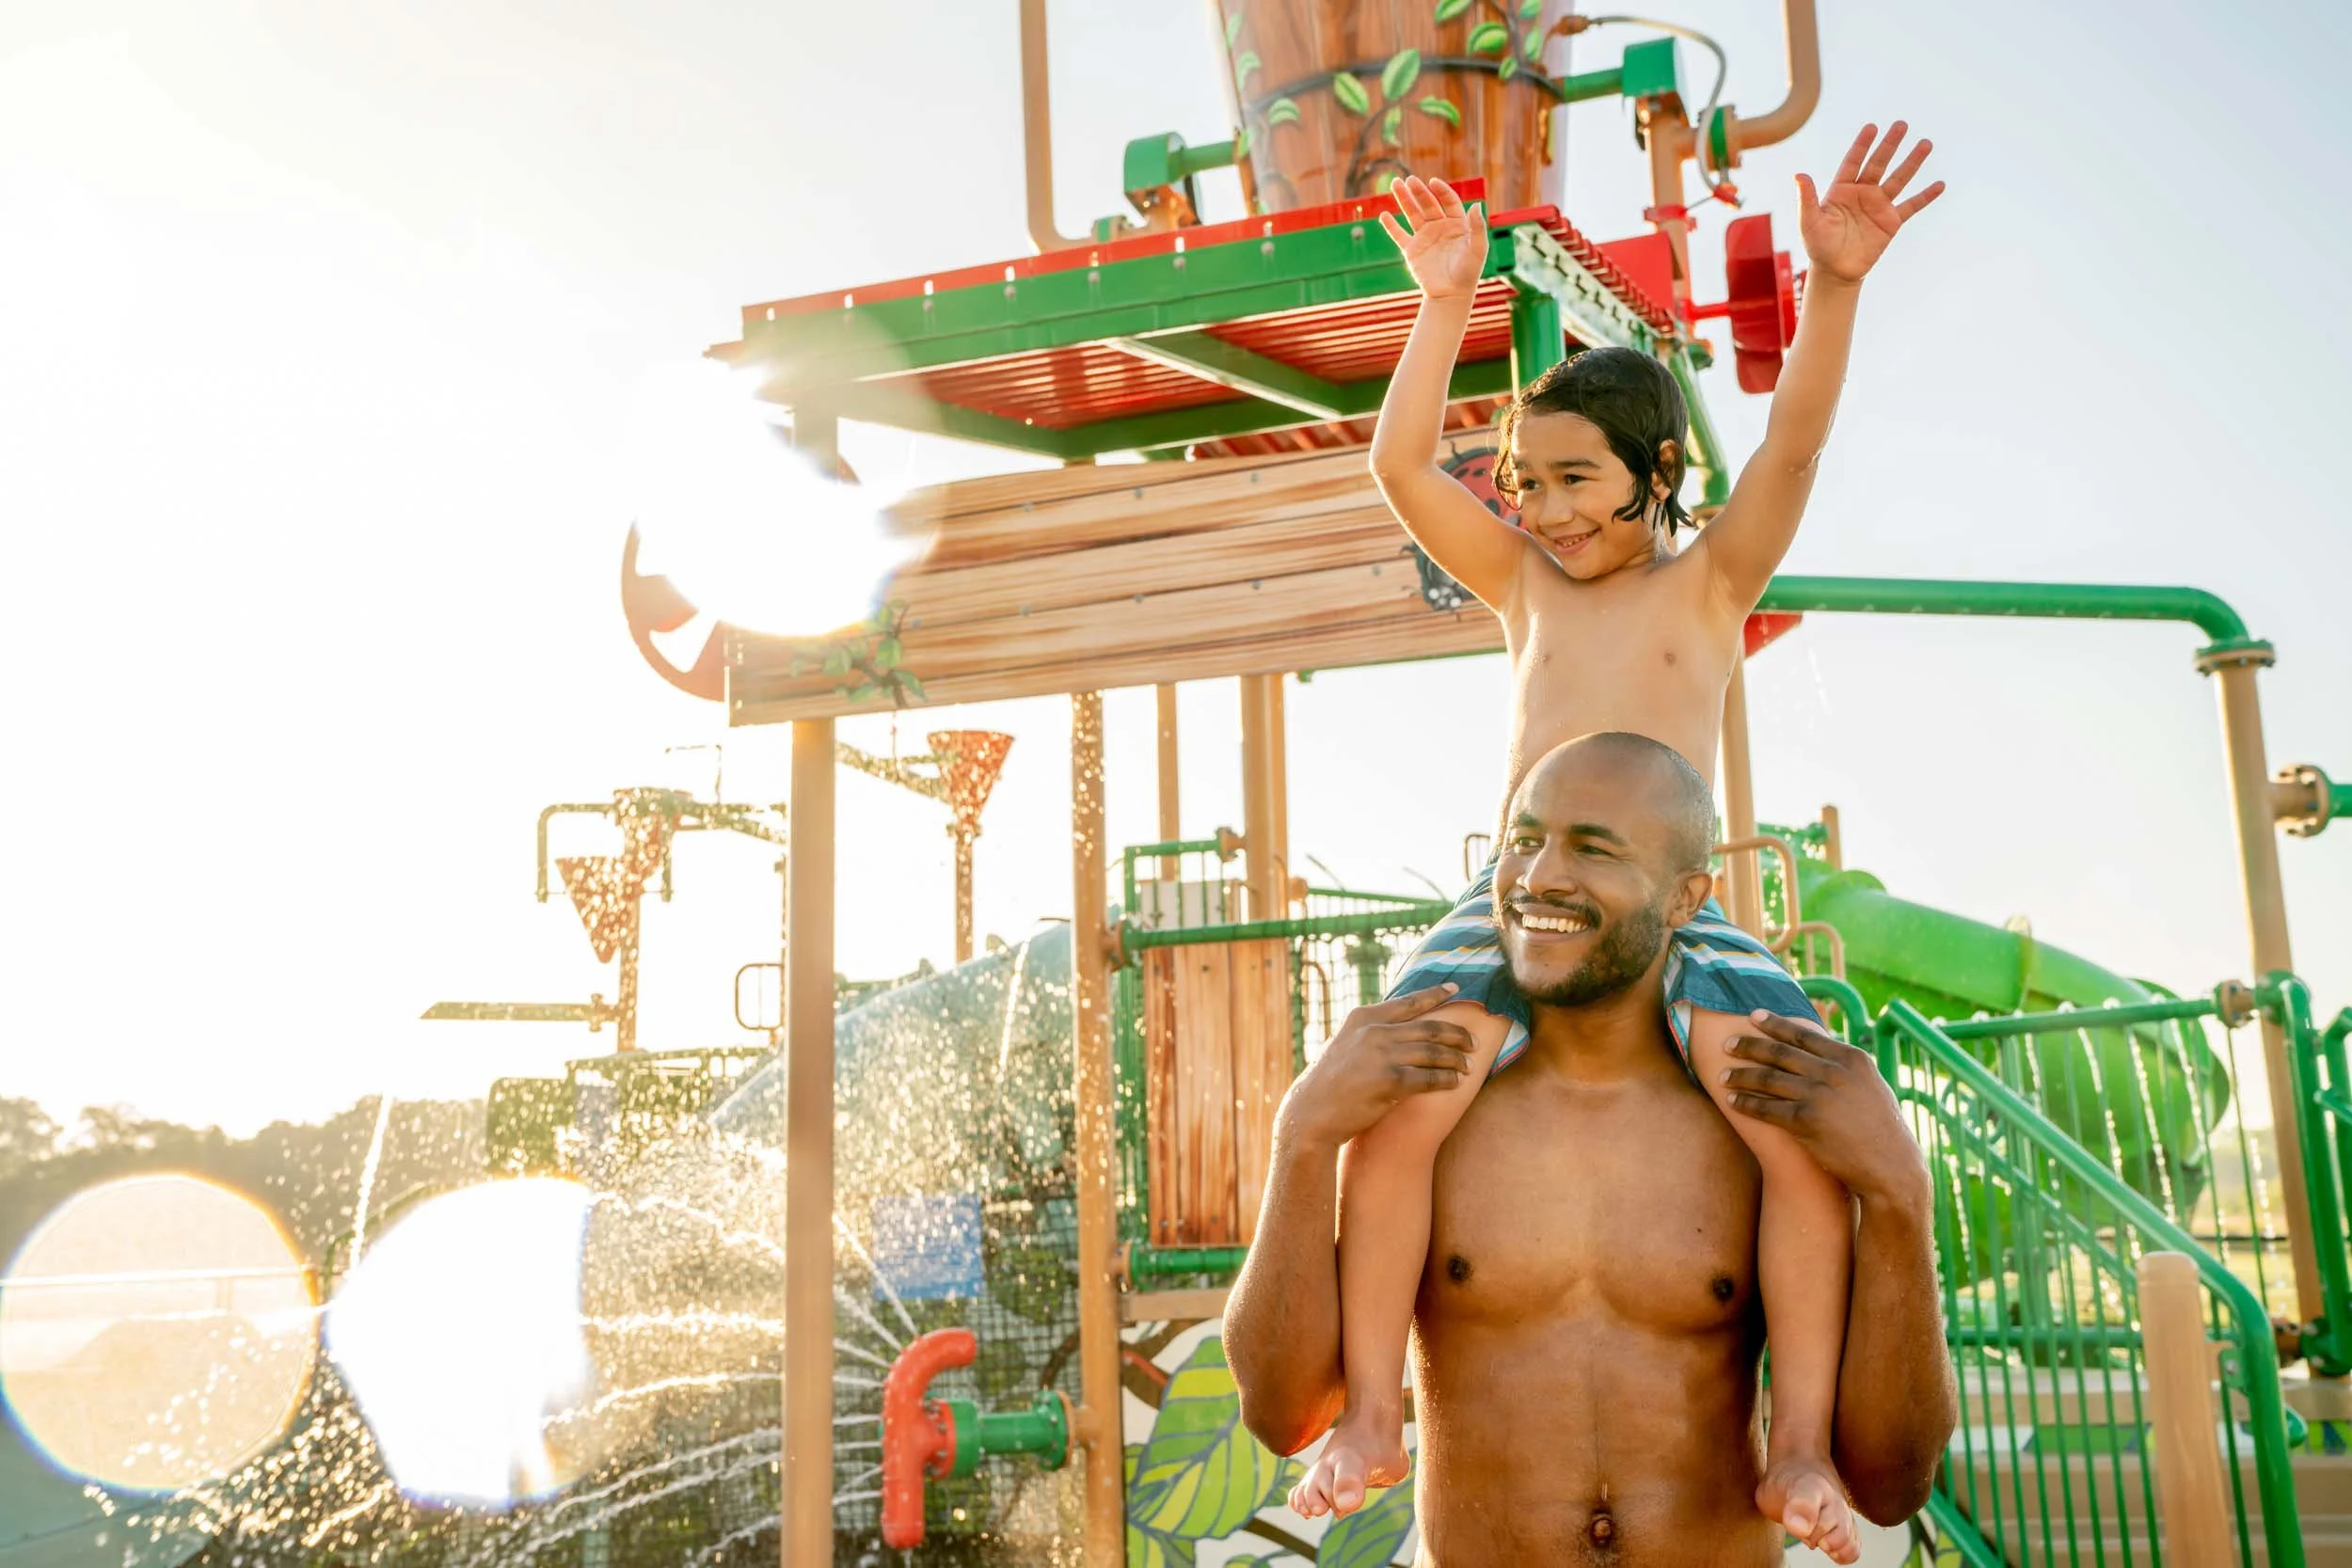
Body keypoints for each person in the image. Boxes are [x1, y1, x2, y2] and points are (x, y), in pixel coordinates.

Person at [1286, 124, 1947, 1559]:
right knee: (1401, 1105)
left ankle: (1800, 1448)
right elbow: (1403, 467)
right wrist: (1443, 303)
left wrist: (1833, 289)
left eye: (1577, 479)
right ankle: (1379, 1416)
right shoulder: (1524, 584)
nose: (1545, 508)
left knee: (1788, 1133)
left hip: (1672, 907)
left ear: (1655, 472)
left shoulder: (1712, 579)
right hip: (1513, 897)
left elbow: (1798, 439)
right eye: (1527, 481)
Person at [1227, 735, 1959, 1565]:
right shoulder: (1431, 1111)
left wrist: (1902, 1188)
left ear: (1687, 898)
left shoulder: (1756, 1127)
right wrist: (1302, 1136)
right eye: (1523, 840)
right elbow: (1281, 1415)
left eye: (1593, 848)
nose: (1539, 877)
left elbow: (1894, 1486)